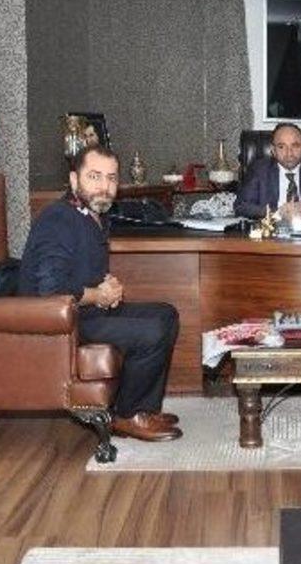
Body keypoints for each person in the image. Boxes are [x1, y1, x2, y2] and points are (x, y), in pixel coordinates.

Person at [19, 145, 183, 442]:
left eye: (111, 178)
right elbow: (49, 288)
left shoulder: (92, 214)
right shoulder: (59, 218)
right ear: (74, 179)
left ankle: (143, 408)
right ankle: (127, 416)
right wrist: (98, 295)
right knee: (153, 330)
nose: (104, 187)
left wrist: (107, 285)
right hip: (60, 322)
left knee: (165, 314)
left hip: (85, 311)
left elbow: (78, 271)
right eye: (94, 177)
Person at [233, 122, 301, 220]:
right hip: (271, 232)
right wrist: (278, 213)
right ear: (273, 151)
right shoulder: (259, 170)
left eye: (295, 146)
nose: (289, 153)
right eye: (281, 147)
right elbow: (241, 206)